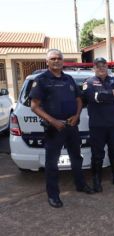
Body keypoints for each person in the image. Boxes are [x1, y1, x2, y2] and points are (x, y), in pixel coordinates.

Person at [30, 49, 93, 208]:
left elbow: (79, 100)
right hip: (54, 129)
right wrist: (54, 121)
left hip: (72, 126)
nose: (56, 61)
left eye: (59, 58)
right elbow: (34, 106)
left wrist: (77, 115)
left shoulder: (69, 79)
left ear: (63, 61)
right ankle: (53, 195)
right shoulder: (41, 80)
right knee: (51, 163)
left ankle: (80, 184)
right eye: (53, 58)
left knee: (76, 158)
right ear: (47, 62)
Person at [82, 57, 114, 192]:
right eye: (98, 66)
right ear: (94, 68)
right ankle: (97, 181)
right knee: (97, 154)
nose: (101, 68)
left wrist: (104, 96)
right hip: (98, 125)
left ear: (107, 67)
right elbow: (92, 97)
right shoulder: (88, 82)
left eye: (104, 66)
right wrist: (111, 94)